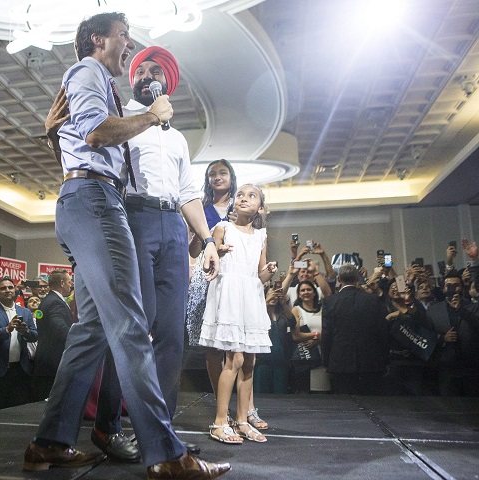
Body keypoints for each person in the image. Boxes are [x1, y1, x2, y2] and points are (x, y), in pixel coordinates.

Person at [24, 12, 229, 480]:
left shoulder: (99, 84)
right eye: (123, 37)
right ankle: (165, 453)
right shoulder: (88, 70)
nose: (129, 46)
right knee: (133, 325)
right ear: (98, 39)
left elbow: (84, 138)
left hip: (89, 200)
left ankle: (49, 442)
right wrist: (149, 116)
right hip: (97, 204)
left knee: (92, 330)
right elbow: (98, 133)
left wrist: (57, 133)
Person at [200, 184, 275, 444]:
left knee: (250, 360)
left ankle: (242, 420)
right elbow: (207, 260)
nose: (244, 199)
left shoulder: (261, 236)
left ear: (260, 207)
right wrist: (217, 252)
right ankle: (220, 421)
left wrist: (269, 271)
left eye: (251, 195)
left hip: (250, 296)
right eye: (240, 195)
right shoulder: (222, 228)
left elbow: (260, 273)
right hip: (230, 294)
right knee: (234, 358)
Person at [322, 264, 389, 395]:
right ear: (358, 279)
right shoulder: (373, 300)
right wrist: (385, 360)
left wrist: (326, 362)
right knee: (372, 403)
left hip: (340, 362)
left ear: (339, 279)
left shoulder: (330, 301)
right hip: (371, 361)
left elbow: (327, 333)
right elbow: (383, 331)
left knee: (346, 407)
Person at [0, 277, 37, 411]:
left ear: (15, 290)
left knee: (17, 411)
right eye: (3, 288)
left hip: (20, 370)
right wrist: (7, 329)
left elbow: (34, 336)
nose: (7, 290)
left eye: (10, 287)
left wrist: (26, 332)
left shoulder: (24, 312)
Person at [31, 269, 74, 402]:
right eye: (69, 281)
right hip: (53, 364)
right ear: (62, 283)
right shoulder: (55, 302)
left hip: (46, 362)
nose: (71, 284)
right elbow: (60, 329)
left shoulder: (49, 300)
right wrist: (80, 337)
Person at [290, 280, 330, 393]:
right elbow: (296, 336)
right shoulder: (296, 310)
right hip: (305, 358)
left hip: (322, 357)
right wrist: (316, 335)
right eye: (302, 290)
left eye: (309, 289)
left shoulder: (323, 310)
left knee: (322, 392)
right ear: (298, 294)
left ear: (314, 292)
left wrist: (318, 339)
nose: (306, 292)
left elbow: (329, 333)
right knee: (304, 393)